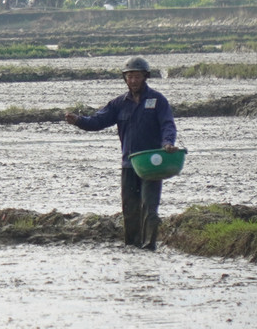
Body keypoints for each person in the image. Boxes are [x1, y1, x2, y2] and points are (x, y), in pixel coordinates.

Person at [64, 56, 177, 249]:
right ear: (125, 79)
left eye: (137, 76)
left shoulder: (157, 100)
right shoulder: (118, 104)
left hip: (151, 164)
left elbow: (168, 125)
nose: (133, 81)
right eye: (129, 77)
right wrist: (79, 121)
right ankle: (132, 247)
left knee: (149, 208)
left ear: (145, 77)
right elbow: (97, 121)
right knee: (130, 209)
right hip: (129, 164)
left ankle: (149, 246)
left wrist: (167, 143)